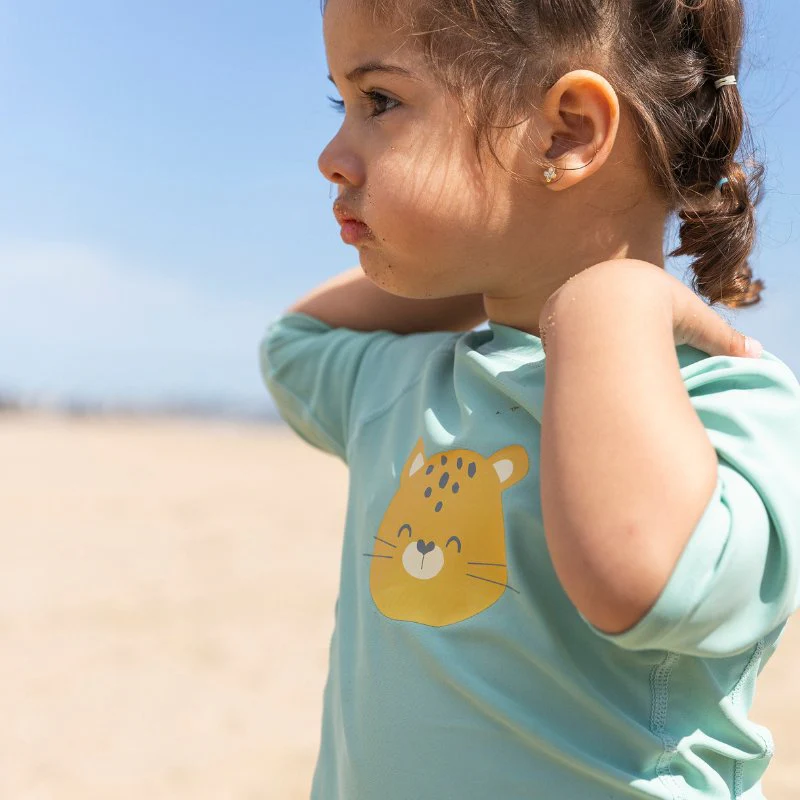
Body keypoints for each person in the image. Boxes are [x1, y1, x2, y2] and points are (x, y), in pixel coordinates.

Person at [260, 0, 800, 797]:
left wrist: (610, 299)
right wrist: (488, 269)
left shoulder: (730, 397)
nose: (331, 157)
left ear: (566, 133)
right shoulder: (411, 381)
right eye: (340, 102)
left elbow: (638, 580)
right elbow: (293, 346)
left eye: (380, 100)